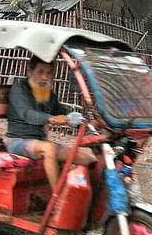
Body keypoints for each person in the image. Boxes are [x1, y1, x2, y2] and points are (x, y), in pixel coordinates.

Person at [6, 56, 96, 190]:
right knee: (49, 148)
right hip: (18, 141)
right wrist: (52, 119)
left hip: (40, 142)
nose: (44, 77)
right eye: (40, 72)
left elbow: (61, 111)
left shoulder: (47, 93)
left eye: (49, 73)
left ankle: (84, 195)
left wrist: (80, 118)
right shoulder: (19, 89)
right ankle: (58, 200)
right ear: (30, 72)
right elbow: (27, 114)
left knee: (87, 158)